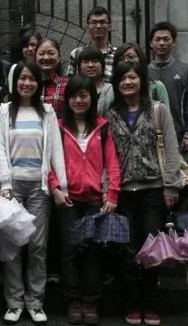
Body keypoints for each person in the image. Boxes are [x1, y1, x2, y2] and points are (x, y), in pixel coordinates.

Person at [105, 62, 181, 326]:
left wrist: (171, 186)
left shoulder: (158, 110)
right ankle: (133, 303)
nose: (128, 82)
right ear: (117, 84)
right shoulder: (110, 115)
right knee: (127, 251)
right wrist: (108, 190)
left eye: (133, 77)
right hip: (123, 192)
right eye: (123, 79)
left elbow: (171, 148)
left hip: (152, 190)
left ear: (142, 81)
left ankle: (151, 304)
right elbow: (107, 156)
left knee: (151, 248)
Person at [0, 62, 67, 325]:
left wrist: (61, 186)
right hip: (13, 187)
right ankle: (14, 302)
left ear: (38, 83)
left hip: (39, 187)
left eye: (32, 79)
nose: (27, 83)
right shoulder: (4, 111)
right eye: (22, 78)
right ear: (15, 82)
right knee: (13, 245)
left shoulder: (47, 112)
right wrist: (5, 184)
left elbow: (56, 150)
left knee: (37, 245)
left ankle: (35, 302)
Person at [48, 75, 121, 325]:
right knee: (69, 251)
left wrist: (112, 193)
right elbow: (48, 161)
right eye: (73, 96)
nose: (78, 100)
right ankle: (73, 300)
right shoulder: (58, 127)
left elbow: (112, 163)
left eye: (83, 95)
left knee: (92, 251)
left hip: (94, 199)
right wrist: (55, 188)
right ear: (66, 99)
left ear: (92, 98)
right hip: (67, 198)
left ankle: (90, 301)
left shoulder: (103, 127)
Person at [147, 22, 188, 152]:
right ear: (151, 43)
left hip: (177, 135)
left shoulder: (185, 71)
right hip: (148, 133)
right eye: (157, 39)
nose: (161, 43)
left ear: (174, 42)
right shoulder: (144, 71)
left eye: (166, 39)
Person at [67, 6, 117, 82]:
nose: (98, 26)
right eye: (94, 22)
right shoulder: (77, 53)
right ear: (87, 27)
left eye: (102, 22)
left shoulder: (117, 55)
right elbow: (70, 83)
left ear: (109, 26)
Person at [113, 42, 170, 107]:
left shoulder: (156, 87)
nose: (126, 61)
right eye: (121, 59)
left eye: (131, 57)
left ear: (140, 59)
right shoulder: (112, 90)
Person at [36, 37, 68, 119]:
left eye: (51, 53)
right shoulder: (29, 84)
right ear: (35, 57)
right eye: (41, 54)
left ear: (59, 57)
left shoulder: (67, 84)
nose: (46, 57)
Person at [76, 47, 114, 115]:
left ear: (102, 66)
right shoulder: (74, 90)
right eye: (86, 62)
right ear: (79, 68)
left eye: (95, 61)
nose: (90, 65)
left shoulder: (112, 90)